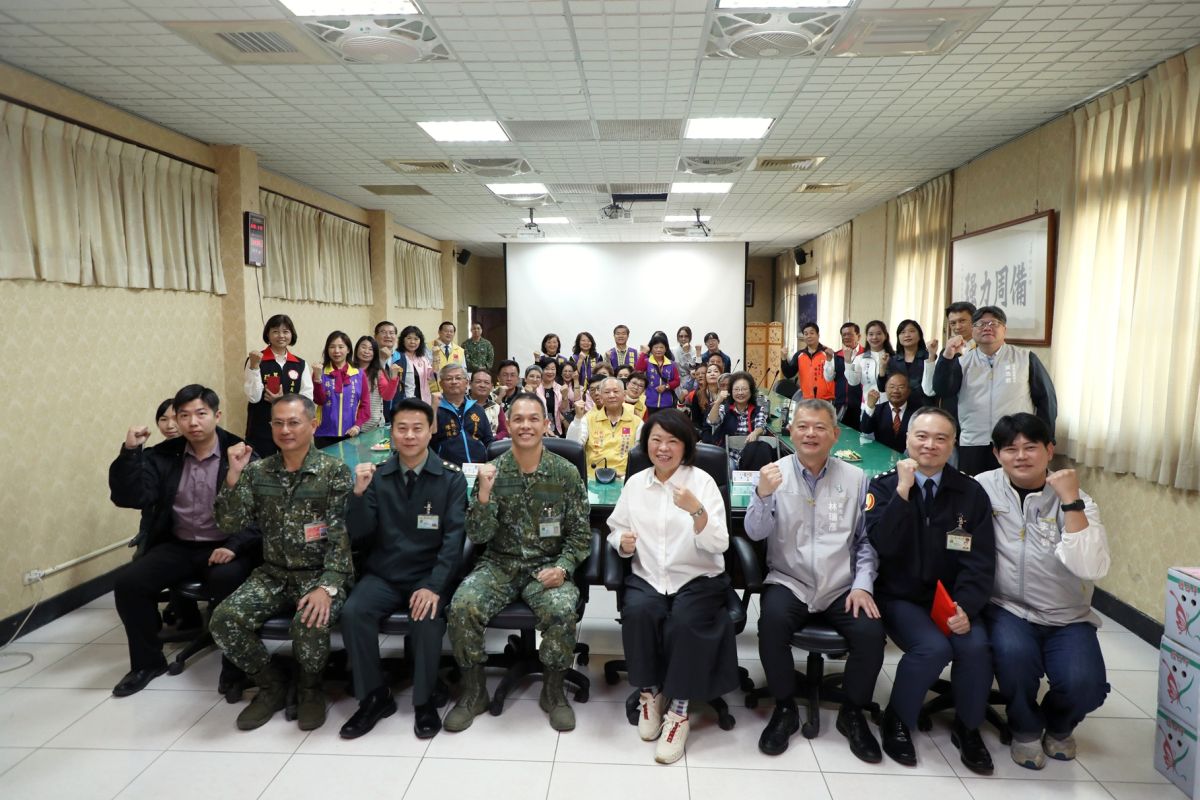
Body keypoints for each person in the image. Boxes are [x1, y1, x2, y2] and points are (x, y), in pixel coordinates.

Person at [745, 399, 884, 762]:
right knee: (771, 623)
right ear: (790, 431)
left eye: (820, 427)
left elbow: (866, 541)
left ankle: (852, 713)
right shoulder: (773, 472)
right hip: (789, 579)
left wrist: (862, 584)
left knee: (871, 633)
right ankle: (785, 707)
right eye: (803, 426)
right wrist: (761, 494)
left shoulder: (856, 478)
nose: (810, 434)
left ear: (835, 435)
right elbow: (756, 533)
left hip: (841, 584)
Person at [445, 393, 591, 733]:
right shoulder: (492, 471)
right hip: (499, 564)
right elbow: (478, 536)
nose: (525, 425)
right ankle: (474, 692)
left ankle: (553, 693)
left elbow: (581, 535)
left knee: (561, 609)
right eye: (518, 419)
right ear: (507, 425)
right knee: (463, 604)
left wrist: (564, 567)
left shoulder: (565, 473)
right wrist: (483, 494)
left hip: (547, 566)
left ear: (545, 424)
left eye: (533, 419)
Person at [209, 394, 354, 732]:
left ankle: (309, 687)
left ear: (312, 424)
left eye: (294, 422)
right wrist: (232, 476)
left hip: (320, 574)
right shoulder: (258, 472)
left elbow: (341, 537)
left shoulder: (334, 472)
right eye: (278, 423)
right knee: (224, 619)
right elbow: (229, 524)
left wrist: (327, 586)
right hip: (272, 574)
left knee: (310, 620)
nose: (285, 430)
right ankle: (271, 684)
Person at [865, 406, 996, 774]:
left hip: (954, 599)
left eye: (941, 438)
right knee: (932, 647)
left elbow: (981, 560)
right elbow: (883, 546)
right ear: (907, 439)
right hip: (901, 597)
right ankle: (897, 718)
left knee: (975, 647)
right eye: (921, 436)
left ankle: (968, 729)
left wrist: (967, 607)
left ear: (953, 444)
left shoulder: (969, 492)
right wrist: (903, 493)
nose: (930, 445)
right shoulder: (885, 485)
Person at [977, 413, 1110, 770]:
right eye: (1011, 448)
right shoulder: (983, 487)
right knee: (1015, 661)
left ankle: (1059, 725)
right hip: (1007, 607)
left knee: (1087, 685)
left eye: (1031, 447)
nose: (1021, 456)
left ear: (1049, 451)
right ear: (996, 454)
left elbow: (1092, 567)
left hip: (1066, 615)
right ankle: (1024, 729)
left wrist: (1070, 501)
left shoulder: (1078, 500)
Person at [108, 385, 259, 698]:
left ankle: (235, 670)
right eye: (185, 415)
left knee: (227, 580)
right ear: (175, 419)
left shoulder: (241, 452)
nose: (193, 422)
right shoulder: (163, 455)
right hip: (178, 544)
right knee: (129, 584)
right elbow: (132, 496)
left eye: (201, 414)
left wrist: (234, 545)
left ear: (216, 416)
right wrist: (130, 454)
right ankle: (147, 663)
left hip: (228, 545)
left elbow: (262, 514)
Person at [607, 410, 736, 764]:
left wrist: (697, 512)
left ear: (685, 446)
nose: (663, 449)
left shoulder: (703, 483)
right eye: (656, 441)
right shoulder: (636, 484)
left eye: (672, 441)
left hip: (697, 577)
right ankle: (650, 693)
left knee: (684, 622)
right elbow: (615, 527)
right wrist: (623, 543)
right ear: (645, 444)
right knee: (638, 610)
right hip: (648, 574)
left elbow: (719, 544)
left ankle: (678, 712)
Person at [341, 398, 468, 740]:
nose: (409, 435)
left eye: (417, 428)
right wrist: (357, 494)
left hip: (428, 575)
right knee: (354, 612)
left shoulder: (451, 479)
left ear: (431, 431)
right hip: (383, 574)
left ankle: (425, 701)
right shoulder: (377, 476)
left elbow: (454, 541)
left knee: (426, 618)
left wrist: (435, 586)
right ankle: (373, 696)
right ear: (392, 433)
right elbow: (359, 533)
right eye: (402, 428)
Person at [932, 306, 1058, 476]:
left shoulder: (1025, 358)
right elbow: (942, 389)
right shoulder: (962, 362)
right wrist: (947, 356)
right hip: (973, 442)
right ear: (973, 330)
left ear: (1004, 329)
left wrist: (1046, 437)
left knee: (1014, 491)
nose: (987, 327)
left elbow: (1046, 400)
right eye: (980, 324)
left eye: (994, 323)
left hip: (1015, 442)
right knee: (974, 492)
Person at [244, 314, 313, 457]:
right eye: (275, 331)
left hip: (291, 431)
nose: (281, 335)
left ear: (291, 335)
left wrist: (284, 400)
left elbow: (307, 399)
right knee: (262, 472)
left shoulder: (300, 364)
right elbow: (253, 397)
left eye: (285, 331)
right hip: (261, 429)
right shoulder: (256, 360)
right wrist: (255, 367)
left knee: (291, 470)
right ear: (267, 335)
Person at [567, 376, 644, 479]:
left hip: (624, 479)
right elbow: (573, 447)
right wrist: (577, 419)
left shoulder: (637, 422)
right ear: (601, 397)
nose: (612, 395)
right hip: (593, 479)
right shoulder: (588, 419)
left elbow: (641, 456)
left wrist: (627, 476)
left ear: (624, 395)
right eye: (607, 392)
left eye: (616, 391)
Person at [312, 330, 370, 448]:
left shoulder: (358, 374)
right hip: (324, 433)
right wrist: (317, 379)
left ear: (348, 350)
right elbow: (319, 400)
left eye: (341, 347)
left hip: (350, 433)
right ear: (327, 350)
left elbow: (365, 404)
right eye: (332, 347)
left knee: (349, 466)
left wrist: (358, 425)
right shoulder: (320, 372)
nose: (336, 351)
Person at [431, 364, 494, 465]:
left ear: (466, 383)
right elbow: (429, 440)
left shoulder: (477, 409)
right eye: (449, 378)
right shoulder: (435, 409)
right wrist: (433, 409)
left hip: (479, 469)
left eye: (458, 378)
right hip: (447, 472)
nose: (454, 382)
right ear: (441, 384)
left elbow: (489, 441)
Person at [706, 370, 769, 470]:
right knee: (729, 467)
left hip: (750, 455)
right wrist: (718, 402)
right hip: (729, 455)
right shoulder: (725, 408)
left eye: (744, 389)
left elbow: (761, 425)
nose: (740, 393)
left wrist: (755, 433)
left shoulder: (757, 409)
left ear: (751, 391)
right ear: (731, 391)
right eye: (736, 389)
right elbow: (712, 421)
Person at [921, 301, 977, 406]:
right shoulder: (947, 351)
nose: (958, 327)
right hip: (949, 414)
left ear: (974, 321)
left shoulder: (983, 349)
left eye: (962, 321)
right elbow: (930, 390)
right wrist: (931, 356)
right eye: (953, 323)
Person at [846, 320, 894, 431]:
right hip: (868, 405)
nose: (874, 337)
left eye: (878, 333)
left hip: (890, 407)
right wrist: (848, 362)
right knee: (867, 437)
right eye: (871, 334)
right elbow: (853, 382)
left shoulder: (893, 357)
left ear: (885, 336)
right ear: (866, 337)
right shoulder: (860, 358)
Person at [860, 373, 924, 453]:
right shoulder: (878, 409)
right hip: (881, 456)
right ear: (886, 390)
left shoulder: (919, 413)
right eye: (892, 387)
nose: (895, 391)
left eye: (901, 387)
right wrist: (870, 406)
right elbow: (865, 430)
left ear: (908, 391)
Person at [823, 322, 864, 429]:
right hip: (840, 404)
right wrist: (828, 360)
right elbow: (828, 378)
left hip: (860, 405)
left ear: (858, 336)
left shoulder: (865, 355)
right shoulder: (837, 355)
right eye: (844, 335)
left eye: (849, 334)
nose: (846, 337)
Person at [353, 335, 398, 433]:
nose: (366, 351)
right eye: (363, 347)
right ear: (356, 349)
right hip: (351, 425)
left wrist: (394, 378)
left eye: (370, 349)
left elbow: (387, 396)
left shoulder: (379, 372)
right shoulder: (349, 370)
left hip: (374, 425)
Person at [781, 322, 835, 401]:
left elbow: (835, 375)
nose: (809, 336)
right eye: (806, 334)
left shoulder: (828, 353)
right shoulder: (800, 355)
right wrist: (784, 358)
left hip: (825, 400)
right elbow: (788, 374)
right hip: (806, 399)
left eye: (812, 333)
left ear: (818, 335)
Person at [884, 319, 931, 406]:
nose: (907, 335)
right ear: (898, 337)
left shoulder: (929, 357)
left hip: (924, 406)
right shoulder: (892, 360)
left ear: (920, 335)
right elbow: (883, 387)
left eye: (912, 331)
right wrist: (882, 368)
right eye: (902, 332)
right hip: (900, 407)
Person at [638, 333, 680, 417]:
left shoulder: (672, 364)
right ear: (651, 349)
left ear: (666, 349)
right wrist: (644, 353)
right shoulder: (647, 362)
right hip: (649, 402)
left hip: (667, 403)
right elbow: (638, 370)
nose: (658, 350)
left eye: (661, 347)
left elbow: (677, 381)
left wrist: (666, 387)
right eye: (656, 347)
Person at [395, 325, 435, 405]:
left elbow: (432, 378)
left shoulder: (423, 358)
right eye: (409, 338)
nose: (412, 342)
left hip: (422, 400)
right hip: (403, 400)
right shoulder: (397, 357)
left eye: (416, 339)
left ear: (420, 341)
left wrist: (435, 395)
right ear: (403, 340)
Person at [688, 363, 723, 443]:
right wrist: (701, 435)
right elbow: (696, 422)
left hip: (722, 433)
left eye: (716, 371)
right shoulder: (698, 394)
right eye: (709, 372)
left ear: (721, 375)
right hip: (705, 434)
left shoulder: (726, 394)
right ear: (706, 376)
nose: (712, 374)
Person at [470, 368, 509, 440]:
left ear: (491, 386)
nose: (482, 385)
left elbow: (504, 430)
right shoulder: (462, 405)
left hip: (491, 446)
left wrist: (492, 439)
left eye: (486, 382)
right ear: (470, 384)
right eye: (478, 382)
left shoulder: (496, 408)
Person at [431, 321, 466, 392]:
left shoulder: (460, 350)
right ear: (439, 332)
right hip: (433, 389)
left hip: (454, 389)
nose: (449, 333)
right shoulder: (428, 347)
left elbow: (463, 370)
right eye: (446, 331)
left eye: (451, 331)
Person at [536, 358, 568, 435]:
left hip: (556, 430)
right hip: (538, 430)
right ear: (541, 370)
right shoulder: (536, 388)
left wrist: (564, 396)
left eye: (553, 369)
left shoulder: (560, 388)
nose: (550, 372)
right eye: (546, 369)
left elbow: (564, 410)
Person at [673, 326, 702, 399]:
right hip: (677, 382)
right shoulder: (673, 350)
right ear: (678, 337)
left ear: (690, 337)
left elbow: (697, 369)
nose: (683, 339)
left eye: (686, 336)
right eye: (681, 336)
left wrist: (687, 354)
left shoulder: (695, 351)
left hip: (691, 382)